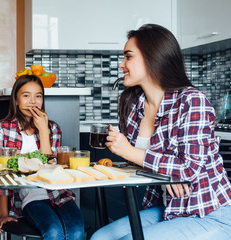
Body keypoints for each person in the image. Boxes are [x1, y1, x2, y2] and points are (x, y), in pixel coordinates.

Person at [91, 24, 231, 240]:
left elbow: (189, 169)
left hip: (208, 212)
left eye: (128, 57)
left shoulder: (192, 101)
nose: (121, 65)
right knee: (100, 238)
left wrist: (129, 151)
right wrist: (166, 175)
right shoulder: (136, 105)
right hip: (169, 208)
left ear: (152, 57)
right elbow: (151, 165)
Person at [0, 75, 85, 240]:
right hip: (30, 198)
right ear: (16, 100)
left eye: (38, 96)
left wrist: (43, 130)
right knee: (53, 232)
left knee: (76, 232)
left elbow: (52, 169)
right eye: (26, 95)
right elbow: (1, 175)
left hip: (59, 193)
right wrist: (2, 214)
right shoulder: (3, 129)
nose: (33, 101)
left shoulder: (53, 129)